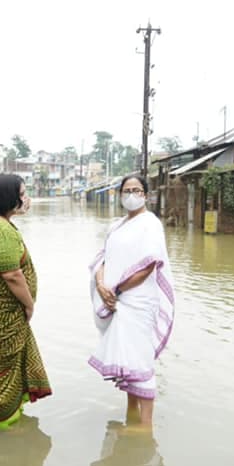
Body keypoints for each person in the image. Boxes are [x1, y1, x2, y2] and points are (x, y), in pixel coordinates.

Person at [89, 174, 175, 426]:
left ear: (145, 195)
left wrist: (114, 290)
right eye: (126, 190)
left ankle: (145, 427)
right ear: (119, 195)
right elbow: (102, 259)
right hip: (116, 300)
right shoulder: (116, 226)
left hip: (138, 301)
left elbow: (148, 266)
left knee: (140, 359)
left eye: (136, 190)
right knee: (127, 359)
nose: (131, 194)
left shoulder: (150, 224)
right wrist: (101, 284)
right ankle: (131, 414)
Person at [0, 173, 51, 429]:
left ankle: (9, 420)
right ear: (9, 197)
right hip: (0, 310)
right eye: (23, 193)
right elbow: (12, 275)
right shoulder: (0, 229)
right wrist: (29, 305)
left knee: (2, 364)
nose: (26, 199)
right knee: (1, 367)